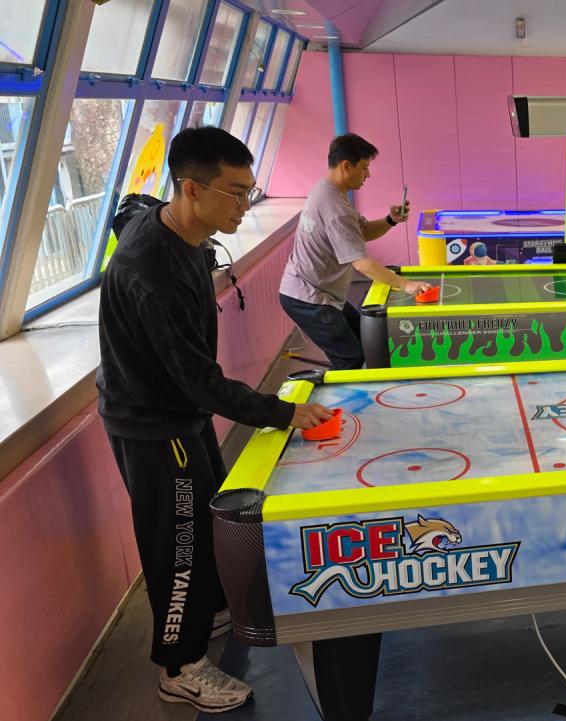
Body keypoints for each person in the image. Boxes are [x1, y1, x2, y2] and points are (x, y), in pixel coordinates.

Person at [97, 126, 332, 713]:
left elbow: (131, 211)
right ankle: (179, 667)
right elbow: (198, 379)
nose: (245, 204)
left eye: (250, 190)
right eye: (235, 192)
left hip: (179, 411)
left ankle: (208, 610)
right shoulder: (154, 273)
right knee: (176, 544)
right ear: (191, 189)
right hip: (155, 424)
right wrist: (284, 412)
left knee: (205, 520)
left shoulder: (176, 228)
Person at [279, 133, 431, 370]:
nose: (368, 174)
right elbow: (360, 262)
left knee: (366, 338)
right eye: (364, 167)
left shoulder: (327, 190)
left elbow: (361, 232)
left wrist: (391, 220)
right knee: (351, 359)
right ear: (346, 166)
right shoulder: (335, 207)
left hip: (318, 291)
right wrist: (405, 284)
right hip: (308, 297)